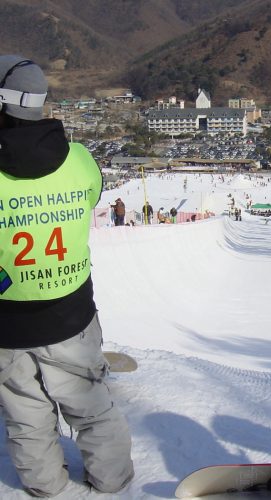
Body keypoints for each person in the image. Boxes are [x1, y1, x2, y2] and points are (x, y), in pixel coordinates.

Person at [0, 55, 133, 497]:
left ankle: (47, 489)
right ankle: (114, 482)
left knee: (26, 415)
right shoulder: (80, 160)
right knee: (92, 408)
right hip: (70, 312)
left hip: (8, 322)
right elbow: (91, 197)